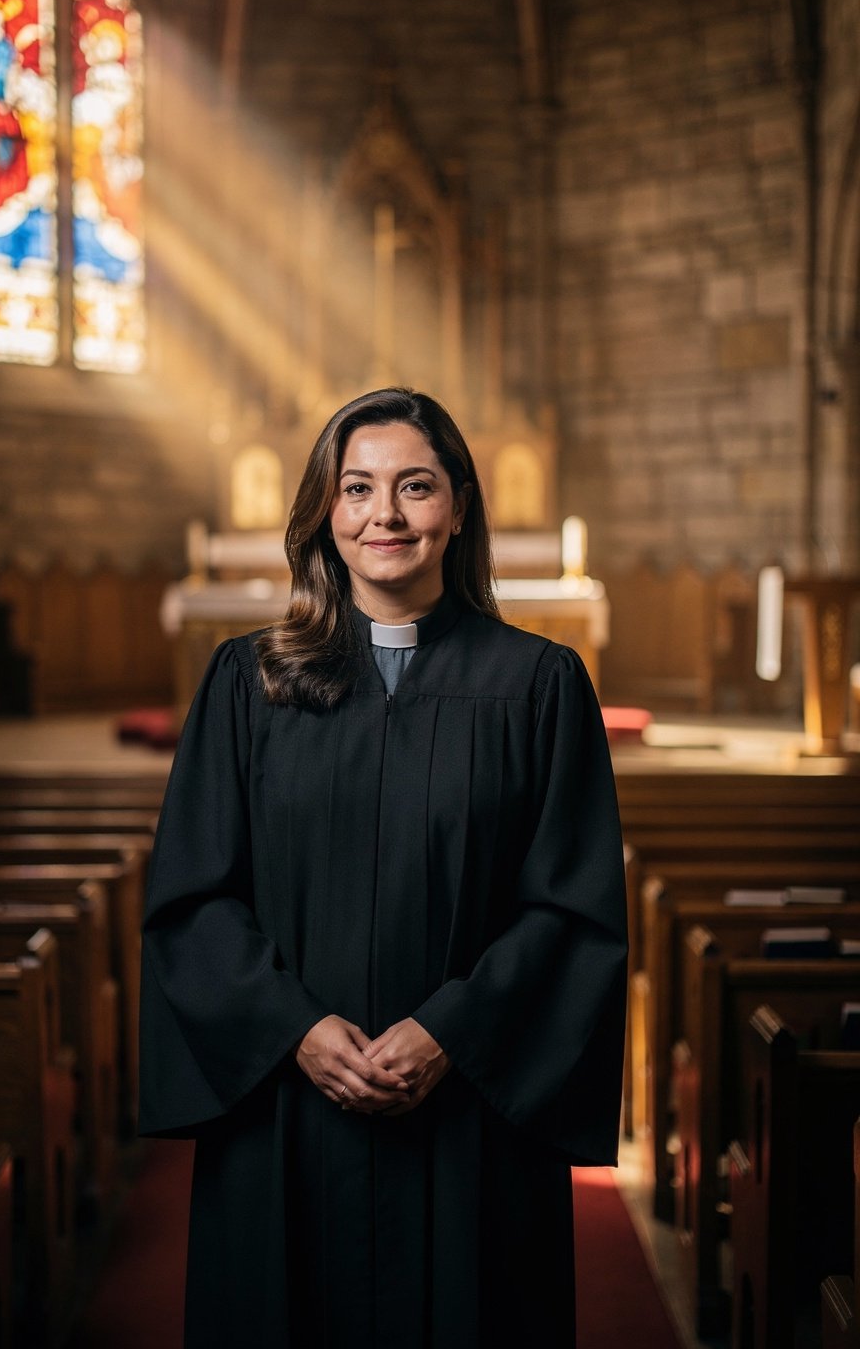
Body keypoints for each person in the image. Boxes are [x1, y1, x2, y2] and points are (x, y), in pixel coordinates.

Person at [139, 387, 628, 1349]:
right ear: (327, 510)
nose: (386, 515)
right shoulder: (250, 682)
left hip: (470, 1116)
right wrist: (296, 1030)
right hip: (288, 1112)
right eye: (357, 488)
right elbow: (196, 897)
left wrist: (450, 1033)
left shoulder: (537, 687)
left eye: (415, 487)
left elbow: (570, 910)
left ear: (458, 509)